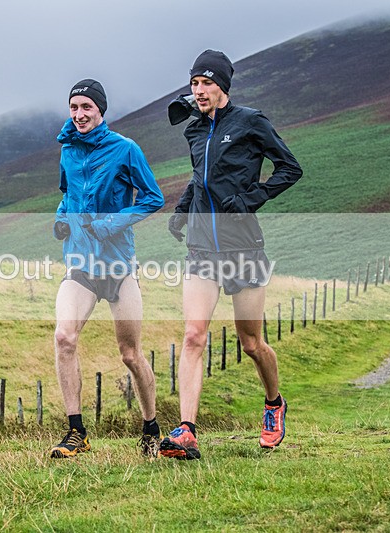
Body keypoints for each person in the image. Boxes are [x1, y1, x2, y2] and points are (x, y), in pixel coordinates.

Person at [160, 50, 303, 459]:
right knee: (193, 335)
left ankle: (274, 405)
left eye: (205, 82)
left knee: (252, 343)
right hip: (202, 247)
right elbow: (198, 177)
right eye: (193, 83)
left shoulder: (251, 121)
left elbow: (290, 168)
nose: (198, 90)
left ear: (222, 85)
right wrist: (182, 210)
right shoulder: (193, 131)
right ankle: (186, 431)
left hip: (243, 247)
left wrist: (251, 198)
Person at [50, 79, 165, 459]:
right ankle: (76, 432)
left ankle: (151, 426)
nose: (80, 115)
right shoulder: (67, 150)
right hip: (79, 265)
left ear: (101, 112)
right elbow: (67, 194)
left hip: (118, 267)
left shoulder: (125, 150)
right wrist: (61, 219)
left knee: (130, 354)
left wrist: (111, 223)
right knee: (64, 338)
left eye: (87, 108)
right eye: (74, 108)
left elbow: (153, 198)